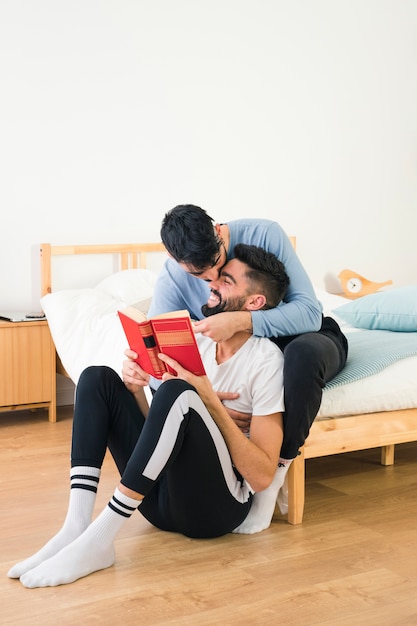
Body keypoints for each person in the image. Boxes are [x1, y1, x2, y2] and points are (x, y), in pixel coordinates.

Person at [8, 244, 290, 589]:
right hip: (158, 504)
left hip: (215, 511)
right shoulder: (195, 343)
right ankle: (76, 527)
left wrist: (206, 399)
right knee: (99, 377)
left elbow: (262, 477)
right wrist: (135, 388)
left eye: (227, 281)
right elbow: (164, 428)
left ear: (254, 303)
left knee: (178, 392)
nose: (212, 283)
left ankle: (100, 538)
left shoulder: (266, 361)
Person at [146, 204, 349, 509]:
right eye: (201, 274)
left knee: (301, 356)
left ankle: (278, 470)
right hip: (249, 352)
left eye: (217, 264)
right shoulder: (172, 277)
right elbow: (157, 359)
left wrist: (241, 321)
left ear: (218, 232)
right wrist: (204, 403)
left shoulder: (265, 233)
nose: (213, 277)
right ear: (174, 260)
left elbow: (309, 313)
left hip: (306, 336)